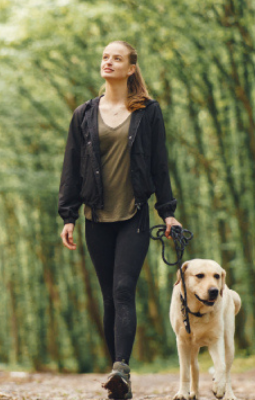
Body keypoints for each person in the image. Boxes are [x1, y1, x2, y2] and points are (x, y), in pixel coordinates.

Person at [57, 40, 182, 400]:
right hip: (95, 216)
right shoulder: (83, 114)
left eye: (117, 58)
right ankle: (119, 382)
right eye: (105, 57)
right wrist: (68, 215)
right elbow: (70, 167)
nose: (108, 62)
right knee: (109, 298)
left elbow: (160, 163)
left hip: (134, 215)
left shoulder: (148, 112)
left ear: (131, 68)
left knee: (124, 289)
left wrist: (168, 211)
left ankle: (121, 369)